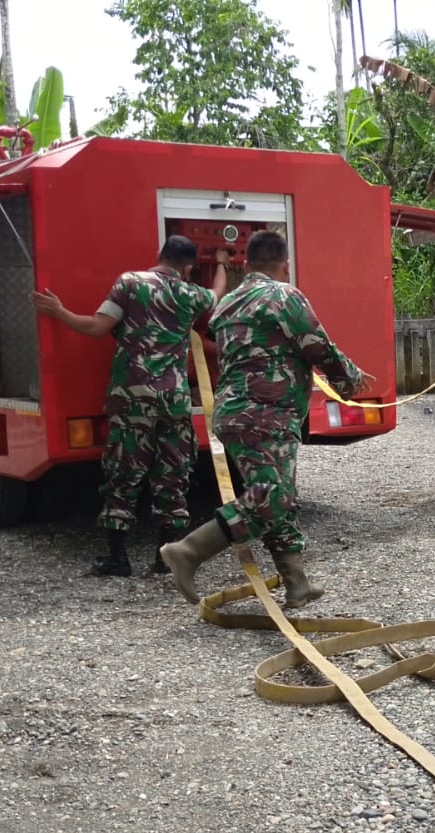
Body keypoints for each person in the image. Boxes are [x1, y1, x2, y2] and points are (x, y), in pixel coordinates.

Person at [161, 230, 371, 609]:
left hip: (232, 415)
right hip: (267, 414)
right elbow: (317, 346)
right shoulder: (283, 295)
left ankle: (297, 583)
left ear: (245, 263)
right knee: (273, 497)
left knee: (271, 493)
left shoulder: (227, 303)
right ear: (284, 263)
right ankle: (188, 551)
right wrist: (351, 379)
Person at [32, 237, 230, 577]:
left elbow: (96, 327)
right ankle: (165, 557)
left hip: (132, 398)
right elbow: (217, 293)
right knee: (173, 475)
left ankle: (117, 557)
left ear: (159, 256)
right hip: (175, 399)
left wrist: (58, 311)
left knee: (124, 473)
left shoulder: (130, 283)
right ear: (187, 267)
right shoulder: (190, 294)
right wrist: (224, 261)